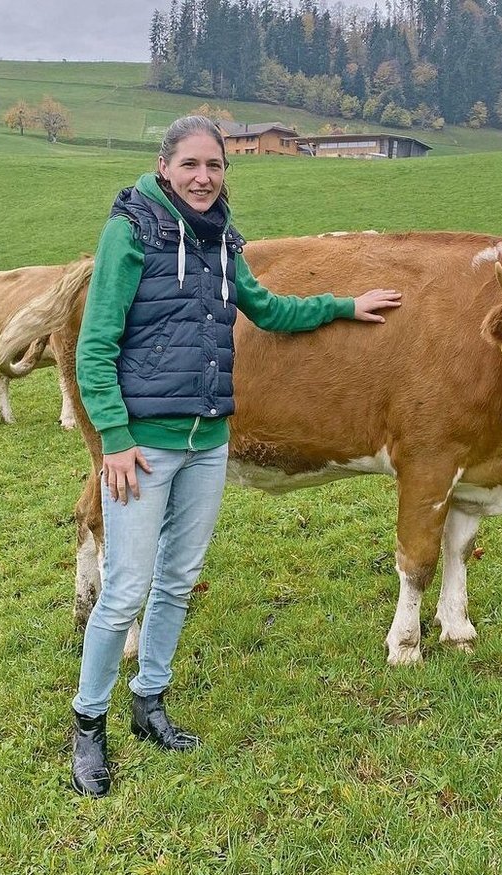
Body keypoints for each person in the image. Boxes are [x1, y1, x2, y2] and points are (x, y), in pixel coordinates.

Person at [69, 115, 400, 797]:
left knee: (177, 578)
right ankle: (88, 723)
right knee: (126, 585)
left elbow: (270, 311)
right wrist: (116, 440)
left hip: (207, 444)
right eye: (190, 165)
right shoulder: (129, 232)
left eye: (214, 167)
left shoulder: (223, 241)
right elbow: (94, 346)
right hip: (144, 447)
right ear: (164, 166)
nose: (203, 177)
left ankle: (149, 702)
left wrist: (345, 304)